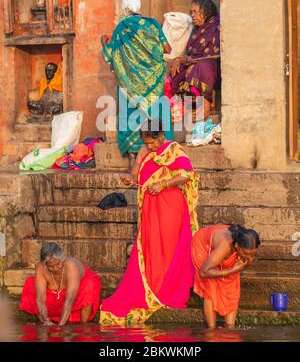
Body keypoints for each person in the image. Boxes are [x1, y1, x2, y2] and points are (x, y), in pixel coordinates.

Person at [100, 120, 199, 325]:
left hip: (169, 207)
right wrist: (131, 178)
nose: (151, 146)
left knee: (167, 250)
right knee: (151, 249)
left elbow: (187, 174)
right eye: (147, 143)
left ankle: (167, 290)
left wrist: (164, 184)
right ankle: (153, 288)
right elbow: (139, 177)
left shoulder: (174, 150)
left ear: (161, 136)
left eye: (153, 143)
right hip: (150, 209)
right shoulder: (146, 151)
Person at [101, 0, 173, 166]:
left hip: (129, 84)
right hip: (153, 82)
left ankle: (133, 157)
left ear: (124, 8)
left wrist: (103, 41)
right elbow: (167, 48)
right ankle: (164, 152)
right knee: (157, 114)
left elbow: (109, 55)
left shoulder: (121, 27)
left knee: (128, 115)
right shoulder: (153, 25)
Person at [191, 224, 260, 329]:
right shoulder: (225, 245)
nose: (250, 257)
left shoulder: (247, 242)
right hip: (203, 245)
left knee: (233, 282)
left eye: (253, 254)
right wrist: (230, 270)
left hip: (222, 248)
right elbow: (204, 272)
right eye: (246, 254)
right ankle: (211, 330)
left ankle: (230, 328)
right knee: (210, 285)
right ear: (237, 246)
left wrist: (246, 262)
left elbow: (246, 258)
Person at [20, 242, 101, 325]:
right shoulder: (41, 267)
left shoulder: (71, 266)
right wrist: (45, 320)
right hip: (57, 292)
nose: (55, 268)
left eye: (58, 264)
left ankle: (83, 324)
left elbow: (70, 300)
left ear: (62, 259)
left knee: (89, 284)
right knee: (30, 283)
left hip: (75, 293)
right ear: (44, 264)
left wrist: (60, 327)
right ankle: (47, 320)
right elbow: (40, 299)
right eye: (50, 266)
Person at [170, 0, 220, 114]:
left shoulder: (217, 26)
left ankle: (206, 105)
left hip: (213, 70)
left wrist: (193, 63)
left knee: (203, 66)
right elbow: (189, 55)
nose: (192, 15)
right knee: (177, 72)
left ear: (206, 11)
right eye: (191, 12)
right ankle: (179, 106)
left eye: (195, 12)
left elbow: (216, 53)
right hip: (195, 64)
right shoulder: (196, 30)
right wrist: (178, 59)